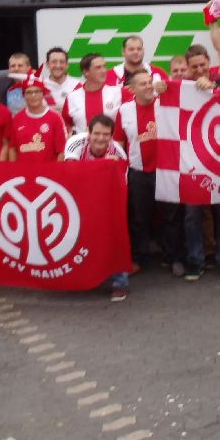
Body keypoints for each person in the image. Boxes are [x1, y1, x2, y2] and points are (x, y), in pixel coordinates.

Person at [114, 69, 183, 276]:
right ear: (131, 89)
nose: (148, 86)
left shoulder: (165, 103)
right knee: (139, 219)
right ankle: (139, 258)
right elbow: (118, 143)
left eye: (150, 82)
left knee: (171, 217)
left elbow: (184, 95)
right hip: (139, 172)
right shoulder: (124, 111)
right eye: (142, 83)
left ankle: (175, 258)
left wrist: (167, 87)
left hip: (166, 171)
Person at [180, 45, 220, 280]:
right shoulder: (181, 87)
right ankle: (196, 260)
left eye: (203, 64)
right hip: (192, 162)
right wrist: (161, 88)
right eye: (194, 67)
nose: (200, 69)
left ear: (209, 62)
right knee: (192, 215)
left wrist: (213, 88)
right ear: (188, 68)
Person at [69, 114, 131, 302]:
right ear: (88, 132)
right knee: (75, 237)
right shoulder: (75, 144)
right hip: (78, 196)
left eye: (106, 134)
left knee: (116, 235)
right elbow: (70, 173)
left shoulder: (118, 152)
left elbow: (121, 186)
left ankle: (119, 282)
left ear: (111, 136)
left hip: (107, 198)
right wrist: (102, 165)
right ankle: (78, 278)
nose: (101, 138)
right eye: (97, 133)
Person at [7, 74, 67, 164]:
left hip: (47, 174)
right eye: (29, 92)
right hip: (23, 174)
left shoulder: (55, 117)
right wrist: (14, 171)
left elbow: (61, 151)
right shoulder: (17, 118)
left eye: (37, 91)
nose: (33, 95)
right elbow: (12, 148)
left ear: (43, 94)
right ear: (24, 95)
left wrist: (57, 172)